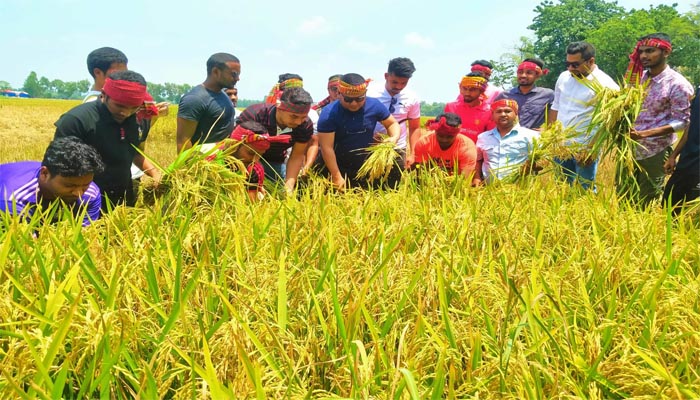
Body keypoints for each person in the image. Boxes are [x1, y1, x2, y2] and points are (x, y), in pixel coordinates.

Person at [54, 70, 161, 210]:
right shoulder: (77, 120)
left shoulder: (138, 119)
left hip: (123, 202)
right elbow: (59, 166)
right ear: (104, 95)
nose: (126, 113)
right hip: (83, 201)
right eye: (119, 106)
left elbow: (133, 152)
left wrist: (155, 173)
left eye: (133, 107)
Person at [623, 33, 695, 206]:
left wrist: (645, 134)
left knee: (647, 200)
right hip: (629, 150)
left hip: (655, 151)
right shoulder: (638, 78)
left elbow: (683, 122)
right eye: (641, 52)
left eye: (650, 51)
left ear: (666, 52)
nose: (644, 56)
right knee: (624, 197)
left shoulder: (677, 84)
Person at [81, 46, 168, 182]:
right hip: (105, 182)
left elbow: (133, 138)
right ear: (98, 73)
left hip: (128, 174)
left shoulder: (121, 103)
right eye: (116, 73)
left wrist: (151, 116)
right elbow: (121, 145)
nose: (123, 78)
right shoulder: (94, 108)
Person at [548, 41, 619, 190]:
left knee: (584, 189)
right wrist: (551, 137)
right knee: (560, 188)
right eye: (567, 64)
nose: (570, 69)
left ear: (590, 61)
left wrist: (591, 149)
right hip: (560, 145)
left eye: (575, 65)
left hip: (585, 147)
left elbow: (608, 122)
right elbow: (556, 106)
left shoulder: (607, 85)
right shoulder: (564, 77)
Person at [317, 73, 400, 189]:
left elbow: (392, 123)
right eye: (348, 99)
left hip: (365, 165)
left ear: (365, 94)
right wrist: (336, 176)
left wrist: (393, 138)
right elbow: (327, 148)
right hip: (337, 165)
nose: (354, 103)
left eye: (359, 99)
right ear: (339, 94)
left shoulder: (374, 105)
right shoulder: (329, 114)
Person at [1, 137, 104, 226]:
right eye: (69, 186)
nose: (79, 193)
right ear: (45, 174)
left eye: (85, 185)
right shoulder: (13, 199)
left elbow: (84, 236)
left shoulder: (91, 194)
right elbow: (25, 244)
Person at [237, 87, 314, 193]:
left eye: (303, 117)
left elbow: (297, 156)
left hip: (275, 161)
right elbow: (236, 146)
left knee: (281, 191)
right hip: (247, 159)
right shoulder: (255, 115)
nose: (298, 122)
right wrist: (256, 180)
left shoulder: (305, 125)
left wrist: (289, 187)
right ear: (279, 107)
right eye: (294, 116)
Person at [209, 121, 291, 201]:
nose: (255, 160)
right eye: (251, 153)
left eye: (260, 155)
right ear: (234, 145)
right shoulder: (208, 157)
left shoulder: (254, 171)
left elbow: (251, 204)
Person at [177, 53, 240, 153]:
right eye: (234, 74)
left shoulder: (223, 95)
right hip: (203, 162)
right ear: (216, 72)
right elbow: (183, 142)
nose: (237, 78)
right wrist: (190, 167)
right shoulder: (195, 99)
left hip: (221, 161)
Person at [367, 57, 421, 169]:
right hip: (369, 147)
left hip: (397, 149)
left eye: (404, 83)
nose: (398, 87)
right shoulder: (370, 93)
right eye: (394, 82)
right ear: (386, 76)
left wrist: (414, 154)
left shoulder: (412, 98)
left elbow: (414, 127)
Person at [473, 99, 539, 185]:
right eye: (499, 112)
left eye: (508, 111)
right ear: (492, 116)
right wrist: (476, 177)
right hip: (489, 191)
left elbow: (542, 161)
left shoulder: (531, 136)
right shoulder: (483, 137)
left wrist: (530, 167)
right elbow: (478, 160)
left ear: (516, 114)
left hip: (520, 190)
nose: (503, 114)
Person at [663, 86, 699, 214]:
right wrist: (673, 156)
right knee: (669, 203)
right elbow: (690, 126)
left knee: (690, 212)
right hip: (688, 159)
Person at [494, 58, 554, 130]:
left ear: (537, 75)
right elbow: (494, 119)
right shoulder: (504, 96)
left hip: (535, 139)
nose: (523, 75)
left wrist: (546, 130)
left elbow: (555, 120)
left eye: (529, 73)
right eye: (520, 72)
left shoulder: (548, 95)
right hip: (509, 138)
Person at [413, 112, 477, 178]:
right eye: (440, 136)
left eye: (449, 136)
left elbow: (464, 180)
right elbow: (422, 175)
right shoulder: (424, 143)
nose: (444, 140)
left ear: (456, 134)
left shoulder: (467, 148)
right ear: (435, 131)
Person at [444, 73, 496, 145]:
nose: (467, 93)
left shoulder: (490, 111)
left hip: (477, 153)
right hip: (453, 153)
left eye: (472, 89)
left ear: (481, 91)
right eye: (464, 88)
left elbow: (491, 138)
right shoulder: (450, 107)